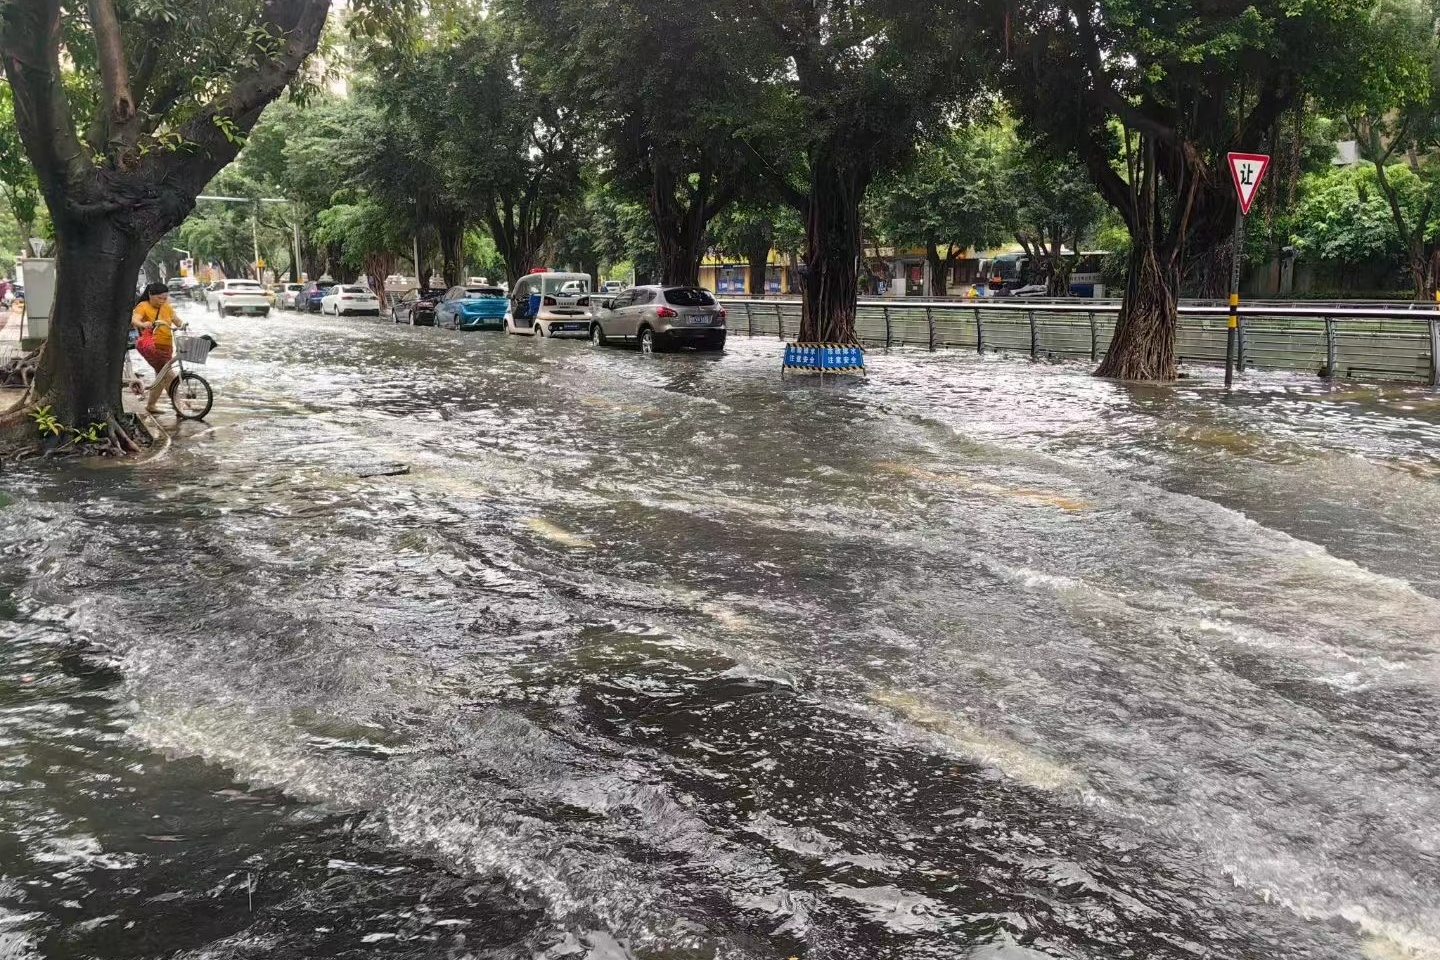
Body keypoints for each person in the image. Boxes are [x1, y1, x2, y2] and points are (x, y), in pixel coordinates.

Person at [131, 281, 185, 414]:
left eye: (164, 298)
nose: (162, 301)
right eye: (159, 298)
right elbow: (135, 319)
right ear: (150, 294)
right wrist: (143, 324)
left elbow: (176, 320)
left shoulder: (166, 306)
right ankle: (179, 406)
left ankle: (151, 405)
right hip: (151, 346)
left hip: (167, 346)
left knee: (161, 376)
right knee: (168, 375)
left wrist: (182, 324)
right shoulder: (143, 306)